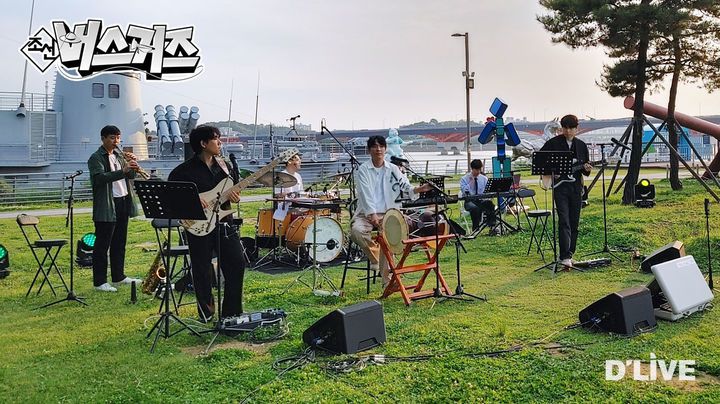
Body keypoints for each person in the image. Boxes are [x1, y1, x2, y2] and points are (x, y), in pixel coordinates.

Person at [168, 125, 246, 321]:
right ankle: (206, 312)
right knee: (202, 270)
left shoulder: (225, 166)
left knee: (237, 263)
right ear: (203, 143)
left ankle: (231, 313)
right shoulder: (183, 171)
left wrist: (235, 197)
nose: (220, 142)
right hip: (198, 226)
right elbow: (171, 196)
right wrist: (191, 199)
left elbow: (230, 193)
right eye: (215, 138)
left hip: (224, 223)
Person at [350, 136, 432, 287]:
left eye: (381, 146)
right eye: (375, 146)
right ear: (369, 150)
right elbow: (365, 194)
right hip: (366, 213)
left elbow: (405, 186)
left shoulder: (393, 169)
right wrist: (372, 214)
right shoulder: (363, 170)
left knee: (389, 237)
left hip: (389, 213)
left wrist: (419, 189)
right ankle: (375, 257)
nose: (378, 149)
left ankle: (387, 281)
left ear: (385, 149)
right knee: (357, 231)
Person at [87, 125, 142, 292]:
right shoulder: (96, 158)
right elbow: (99, 178)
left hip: (123, 200)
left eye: (118, 137)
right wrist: (123, 171)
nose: (116, 141)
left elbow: (130, 175)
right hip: (107, 205)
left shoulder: (119, 155)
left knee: (120, 242)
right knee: (102, 245)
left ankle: (119, 276)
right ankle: (100, 282)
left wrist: (133, 166)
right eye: (112, 138)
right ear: (103, 138)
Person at [539, 114, 592, 268]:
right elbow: (539, 161)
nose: (568, 131)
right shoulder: (552, 143)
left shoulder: (581, 145)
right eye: (565, 128)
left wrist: (587, 168)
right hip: (560, 188)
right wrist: (552, 172)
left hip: (576, 188)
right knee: (564, 220)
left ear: (577, 129)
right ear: (561, 128)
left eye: (571, 128)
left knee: (574, 222)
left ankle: (570, 253)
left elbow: (585, 170)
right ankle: (564, 256)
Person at [459, 159, 497, 235]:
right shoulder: (464, 179)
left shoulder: (484, 178)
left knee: (490, 204)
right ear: (472, 169)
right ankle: (476, 229)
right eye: (476, 170)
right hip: (470, 201)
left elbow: (488, 191)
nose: (478, 172)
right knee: (474, 208)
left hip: (481, 200)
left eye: (479, 169)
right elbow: (465, 192)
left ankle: (492, 226)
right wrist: (471, 181)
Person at [273, 154, 304, 221]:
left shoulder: (298, 176)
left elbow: (302, 193)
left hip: (298, 206)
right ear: (289, 162)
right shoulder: (280, 176)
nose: (300, 162)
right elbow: (277, 195)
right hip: (285, 208)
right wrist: (290, 195)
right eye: (297, 160)